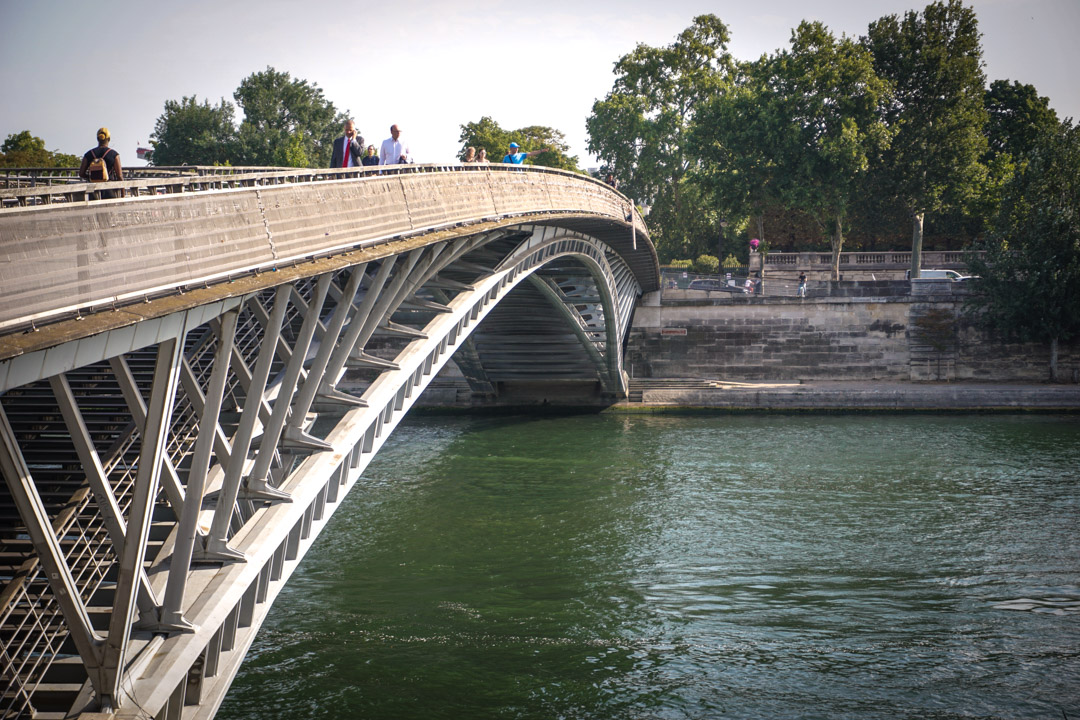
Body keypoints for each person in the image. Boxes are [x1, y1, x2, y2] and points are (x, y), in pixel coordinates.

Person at [78, 127, 124, 199]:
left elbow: (81, 173)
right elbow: (119, 176)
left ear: (97, 139)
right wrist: (123, 194)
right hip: (109, 190)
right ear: (109, 139)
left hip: (93, 190)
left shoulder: (88, 154)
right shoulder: (114, 154)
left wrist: (91, 177)